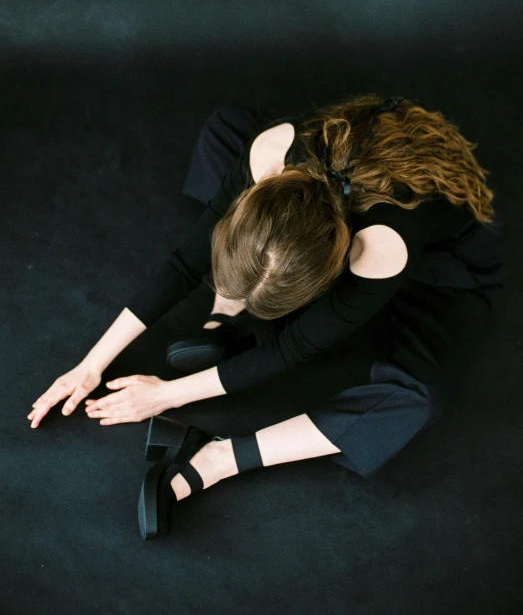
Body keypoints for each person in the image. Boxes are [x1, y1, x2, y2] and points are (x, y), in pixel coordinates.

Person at [28, 93, 506, 539]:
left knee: (416, 400)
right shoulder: (273, 152)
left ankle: (219, 458)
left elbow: (290, 348)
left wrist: (165, 396)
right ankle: (227, 314)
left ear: (327, 279)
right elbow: (182, 264)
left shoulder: (380, 248)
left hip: (440, 274)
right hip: (312, 221)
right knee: (225, 128)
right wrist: (90, 365)